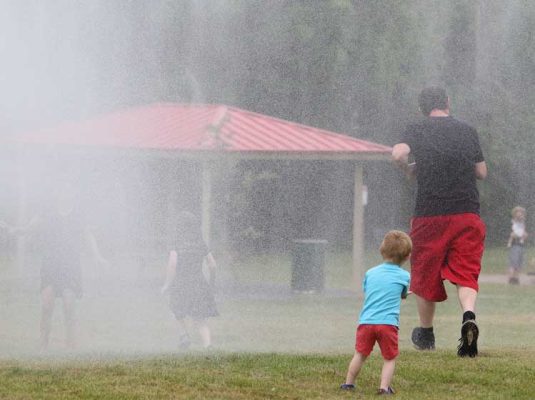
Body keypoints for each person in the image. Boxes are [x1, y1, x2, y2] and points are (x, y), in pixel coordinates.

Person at [392, 86, 487, 358]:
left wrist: (408, 169)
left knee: (424, 272)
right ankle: (468, 315)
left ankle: (426, 333)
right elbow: (481, 171)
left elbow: (398, 154)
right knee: (466, 271)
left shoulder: (417, 128)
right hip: (467, 213)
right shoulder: (467, 130)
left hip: (429, 214)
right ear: (447, 102)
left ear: (423, 108)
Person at [10, 182, 108, 351]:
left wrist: (97, 256)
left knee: (69, 305)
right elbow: (30, 228)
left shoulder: (78, 215)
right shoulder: (46, 212)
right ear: (57, 194)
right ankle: (43, 344)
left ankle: (70, 345)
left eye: (68, 191)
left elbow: (88, 235)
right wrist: (18, 231)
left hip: (70, 265)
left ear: (72, 195)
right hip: (51, 263)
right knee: (47, 305)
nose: (65, 194)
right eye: (62, 191)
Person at [340, 230, 411, 395]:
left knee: (360, 354)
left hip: (366, 322)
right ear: (407, 257)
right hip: (388, 324)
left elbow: (369, 291)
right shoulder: (405, 276)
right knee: (389, 358)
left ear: (382, 250)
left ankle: (348, 383)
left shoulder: (370, 273)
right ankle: (384, 388)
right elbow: (403, 295)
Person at [161, 211, 218, 350]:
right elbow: (213, 265)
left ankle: (183, 335)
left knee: (176, 310)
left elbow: (172, 264)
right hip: (198, 282)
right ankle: (208, 345)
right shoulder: (200, 243)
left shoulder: (176, 243)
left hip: (181, 283)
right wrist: (212, 282)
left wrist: (167, 284)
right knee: (200, 318)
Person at [507, 206, 528, 284]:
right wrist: (512, 236)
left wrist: (525, 235)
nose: (521, 214)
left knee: (519, 262)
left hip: (521, 244)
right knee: (513, 262)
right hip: (514, 245)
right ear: (515, 214)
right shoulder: (512, 223)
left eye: (522, 213)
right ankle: (511, 278)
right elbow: (510, 234)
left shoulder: (523, 224)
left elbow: (525, 234)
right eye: (519, 212)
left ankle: (516, 278)